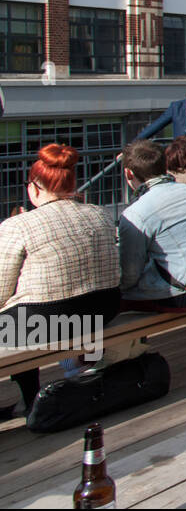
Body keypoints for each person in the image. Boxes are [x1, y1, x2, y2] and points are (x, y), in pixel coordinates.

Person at [0, 145, 120, 417]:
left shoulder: (17, 225)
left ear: (34, 188)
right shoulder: (99, 213)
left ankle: (30, 399)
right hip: (102, 310)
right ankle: (79, 376)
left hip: (46, 321)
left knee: (13, 323)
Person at [118, 140, 186, 311]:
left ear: (129, 174)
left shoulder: (135, 213)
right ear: (165, 165)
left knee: (108, 301)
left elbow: (129, 276)